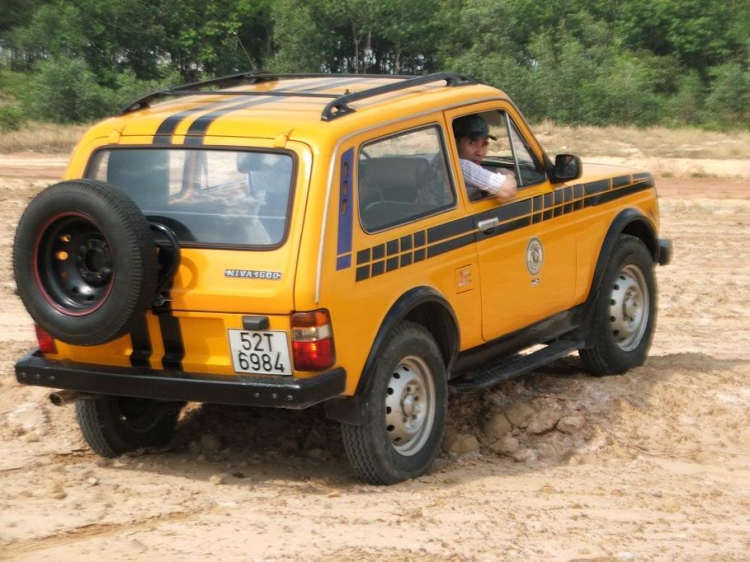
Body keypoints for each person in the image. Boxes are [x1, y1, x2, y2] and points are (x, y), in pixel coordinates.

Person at [453, 114, 517, 201]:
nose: (480, 152)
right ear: (454, 143)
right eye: (472, 143)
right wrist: (508, 174)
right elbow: (508, 189)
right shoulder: (461, 166)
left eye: (484, 144)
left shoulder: (442, 161)